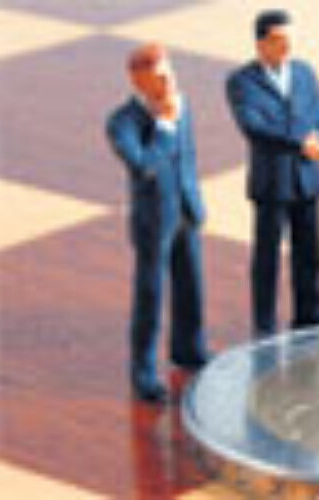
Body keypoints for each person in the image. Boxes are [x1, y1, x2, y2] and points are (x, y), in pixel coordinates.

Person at [106, 43, 210, 402]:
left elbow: (189, 159)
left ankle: (190, 350)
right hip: (153, 222)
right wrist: (164, 126)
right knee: (150, 298)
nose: (169, 83)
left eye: (170, 73)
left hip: (186, 212)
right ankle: (144, 373)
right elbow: (143, 166)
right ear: (138, 81)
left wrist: (195, 201)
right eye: (160, 78)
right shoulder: (121, 123)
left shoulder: (181, 105)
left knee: (191, 286)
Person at [226, 10, 319, 337]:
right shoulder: (242, 82)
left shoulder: (304, 72)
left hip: (307, 178)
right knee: (267, 257)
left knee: (310, 252)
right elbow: (254, 127)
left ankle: (309, 314)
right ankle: (265, 325)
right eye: (280, 40)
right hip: (272, 183)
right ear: (261, 43)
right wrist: (301, 141)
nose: (288, 46)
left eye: (291, 39)